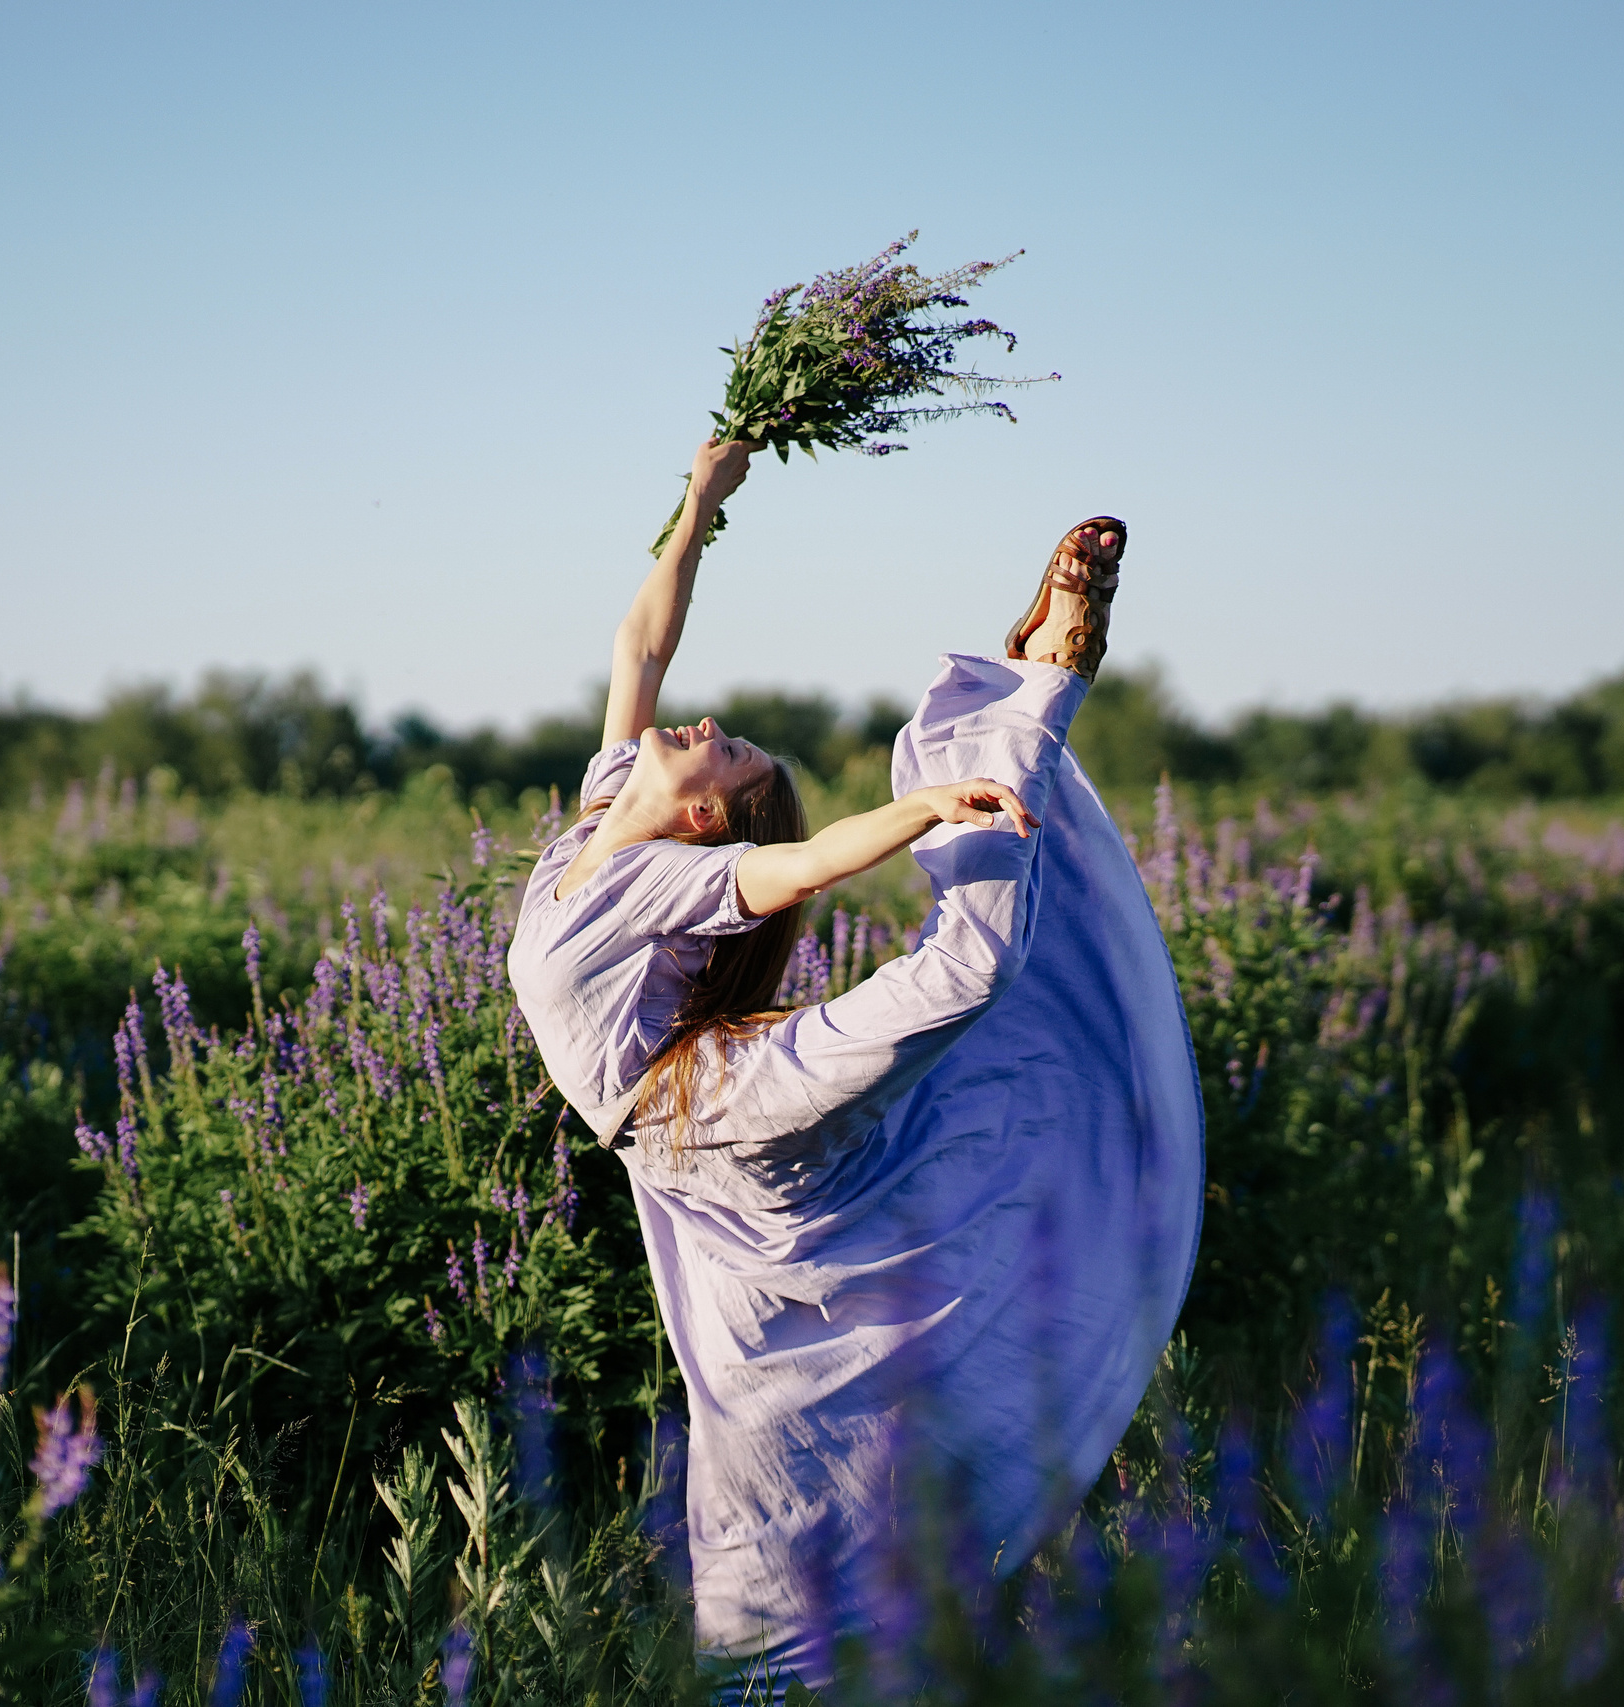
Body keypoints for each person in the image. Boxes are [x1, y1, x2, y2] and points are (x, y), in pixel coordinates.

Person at [507, 438, 1206, 1694]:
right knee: (766, 1409)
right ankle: (806, 1654)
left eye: (725, 759)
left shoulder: (678, 869)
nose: (708, 730)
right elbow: (639, 648)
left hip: (701, 1108)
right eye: (721, 741)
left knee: (965, 982)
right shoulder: (606, 807)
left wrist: (927, 814)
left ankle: (1032, 704)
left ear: (703, 817)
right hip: (668, 1145)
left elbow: (800, 866)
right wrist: (697, 508)